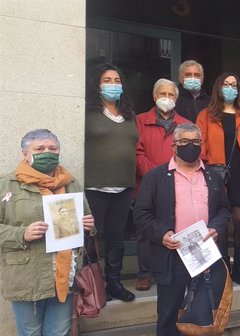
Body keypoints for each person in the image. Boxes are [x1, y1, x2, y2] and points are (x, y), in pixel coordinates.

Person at [134, 123, 230, 336]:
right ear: (173, 146)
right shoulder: (155, 177)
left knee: (204, 314)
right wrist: (161, 235)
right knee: (169, 314)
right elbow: (140, 214)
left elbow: (224, 209)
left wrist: (216, 227)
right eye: (184, 142)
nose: (190, 146)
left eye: (195, 142)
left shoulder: (213, 177)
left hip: (205, 255)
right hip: (172, 255)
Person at [0, 129, 96, 335]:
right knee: (30, 332)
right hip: (27, 276)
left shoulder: (71, 182)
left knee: (58, 332)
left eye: (53, 148)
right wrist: (22, 233)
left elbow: (87, 220)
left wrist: (89, 225)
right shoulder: (7, 184)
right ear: (25, 154)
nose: (47, 152)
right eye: (40, 148)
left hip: (64, 274)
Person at [196, 72, 240, 285]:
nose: (230, 88)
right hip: (214, 173)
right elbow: (200, 143)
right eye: (226, 84)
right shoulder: (206, 115)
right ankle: (223, 265)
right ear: (218, 87)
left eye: (234, 85)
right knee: (220, 222)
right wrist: (204, 168)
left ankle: (238, 266)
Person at [85, 63, 139, 302]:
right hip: (94, 186)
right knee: (90, 237)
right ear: (97, 85)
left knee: (117, 236)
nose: (113, 85)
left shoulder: (129, 114)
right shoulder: (88, 113)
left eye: (117, 81)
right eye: (107, 80)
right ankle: (91, 285)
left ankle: (114, 282)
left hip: (123, 185)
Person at [134, 78, 192, 291]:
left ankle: (168, 270)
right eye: (162, 94)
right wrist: (156, 176)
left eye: (171, 95)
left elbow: (190, 150)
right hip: (148, 181)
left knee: (171, 226)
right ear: (154, 96)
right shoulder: (140, 120)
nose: (166, 99)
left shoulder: (185, 123)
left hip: (177, 181)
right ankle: (144, 273)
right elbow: (137, 151)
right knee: (146, 229)